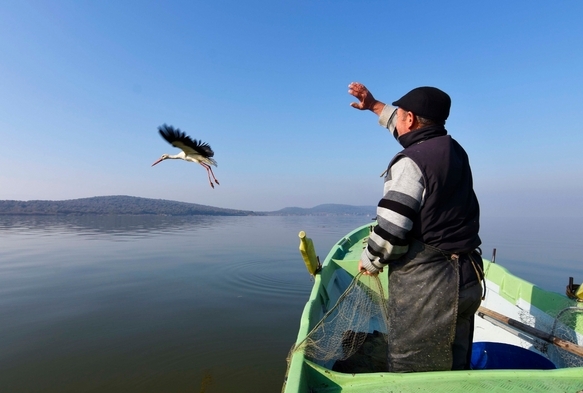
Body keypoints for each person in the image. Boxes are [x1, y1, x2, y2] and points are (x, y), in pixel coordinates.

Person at [348, 82, 484, 372]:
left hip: (431, 288)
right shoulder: (454, 150)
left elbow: (391, 229)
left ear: (410, 118)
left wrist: (370, 260)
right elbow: (404, 132)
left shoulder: (411, 162)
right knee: (455, 364)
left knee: (414, 368)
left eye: (400, 114)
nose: (396, 118)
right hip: (468, 279)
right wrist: (374, 106)